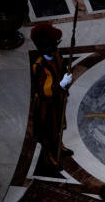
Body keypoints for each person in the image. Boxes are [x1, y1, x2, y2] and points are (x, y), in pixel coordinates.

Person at [30, 21, 73, 166]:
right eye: (53, 47)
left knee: (59, 125)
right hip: (45, 105)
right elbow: (45, 90)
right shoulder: (39, 66)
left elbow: (62, 69)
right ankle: (48, 156)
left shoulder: (57, 55)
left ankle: (59, 145)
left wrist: (66, 77)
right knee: (47, 131)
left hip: (58, 100)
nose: (56, 50)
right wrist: (61, 84)